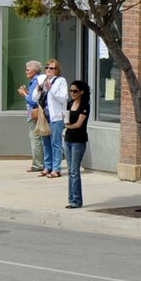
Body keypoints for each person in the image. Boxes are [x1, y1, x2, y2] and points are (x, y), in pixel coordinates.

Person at [64, 80, 90, 210]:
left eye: (75, 91)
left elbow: (79, 124)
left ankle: (76, 200)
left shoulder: (85, 106)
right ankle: (71, 198)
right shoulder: (69, 104)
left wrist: (69, 126)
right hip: (68, 138)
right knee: (70, 171)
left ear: (81, 92)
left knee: (74, 171)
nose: (72, 93)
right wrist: (67, 124)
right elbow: (67, 120)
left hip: (78, 140)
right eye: (71, 91)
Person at [42, 58, 69, 178]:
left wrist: (50, 89)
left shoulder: (61, 81)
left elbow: (63, 98)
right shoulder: (44, 80)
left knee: (56, 142)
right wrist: (38, 90)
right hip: (45, 116)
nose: (48, 70)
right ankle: (48, 166)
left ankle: (56, 168)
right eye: (47, 67)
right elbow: (36, 98)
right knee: (46, 142)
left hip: (56, 116)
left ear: (56, 70)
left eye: (51, 68)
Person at [24, 60, 47, 174]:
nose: (26, 72)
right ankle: (42, 162)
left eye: (28, 70)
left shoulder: (35, 81)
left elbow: (33, 101)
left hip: (34, 113)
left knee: (35, 137)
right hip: (38, 112)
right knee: (39, 138)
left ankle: (38, 164)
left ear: (34, 71)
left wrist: (24, 94)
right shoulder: (39, 80)